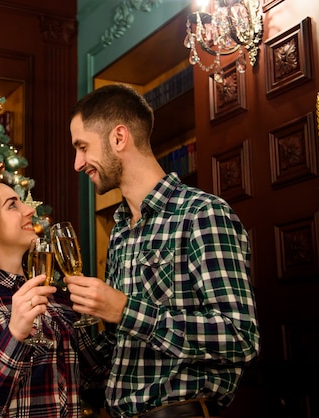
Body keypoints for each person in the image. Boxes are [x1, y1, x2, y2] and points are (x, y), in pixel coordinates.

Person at [64, 83, 260, 418]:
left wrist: (125, 310)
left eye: (82, 147)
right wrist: (59, 325)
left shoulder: (202, 213)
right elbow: (118, 349)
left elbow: (239, 337)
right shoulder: (121, 231)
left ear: (118, 137)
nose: (77, 164)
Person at [0, 178, 105, 417]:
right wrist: (14, 334)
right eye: (13, 205)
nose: (30, 210)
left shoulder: (54, 296)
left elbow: (97, 381)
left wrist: (113, 312)